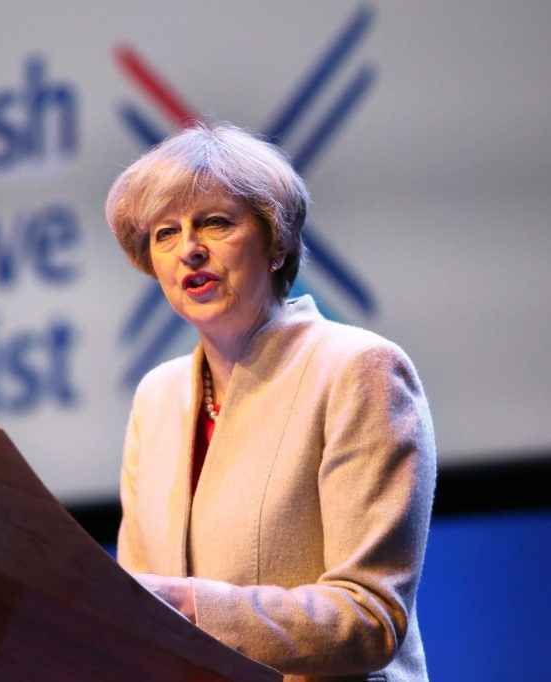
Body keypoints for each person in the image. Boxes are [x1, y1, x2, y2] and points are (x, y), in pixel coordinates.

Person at [106, 123, 435, 681]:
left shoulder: (359, 370)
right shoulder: (156, 398)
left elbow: (369, 616)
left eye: (215, 222)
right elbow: (136, 608)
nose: (189, 249)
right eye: (165, 233)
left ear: (277, 242)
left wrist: (191, 606)